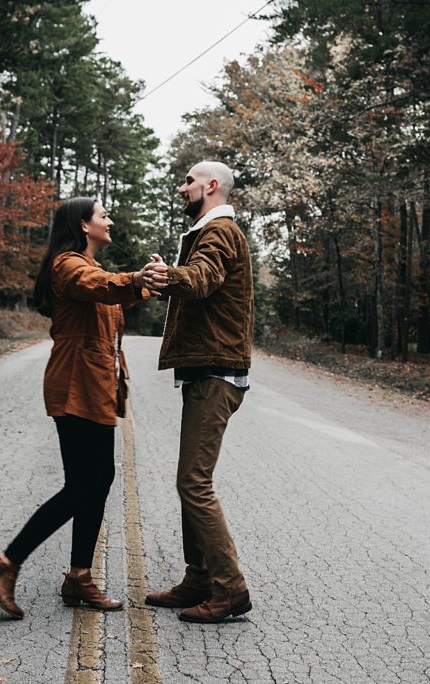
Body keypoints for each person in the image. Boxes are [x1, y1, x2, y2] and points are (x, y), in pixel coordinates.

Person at [0, 197, 149, 619]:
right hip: (76, 385)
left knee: (95, 478)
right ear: (82, 225)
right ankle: (6, 563)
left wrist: (150, 281)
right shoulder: (67, 265)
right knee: (83, 485)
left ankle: (78, 577)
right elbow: (103, 287)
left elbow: (116, 293)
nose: (111, 219)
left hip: (95, 387)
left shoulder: (90, 269)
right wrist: (136, 278)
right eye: (103, 215)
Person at [140, 160, 255, 623]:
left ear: (211, 186)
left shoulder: (220, 230)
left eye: (189, 180)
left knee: (193, 482)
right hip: (207, 370)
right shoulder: (209, 230)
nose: (181, 186)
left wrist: (168, 274)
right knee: (191, 480)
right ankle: (198, 580)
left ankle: (230, 588)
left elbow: (203, 279)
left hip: (217, 373)